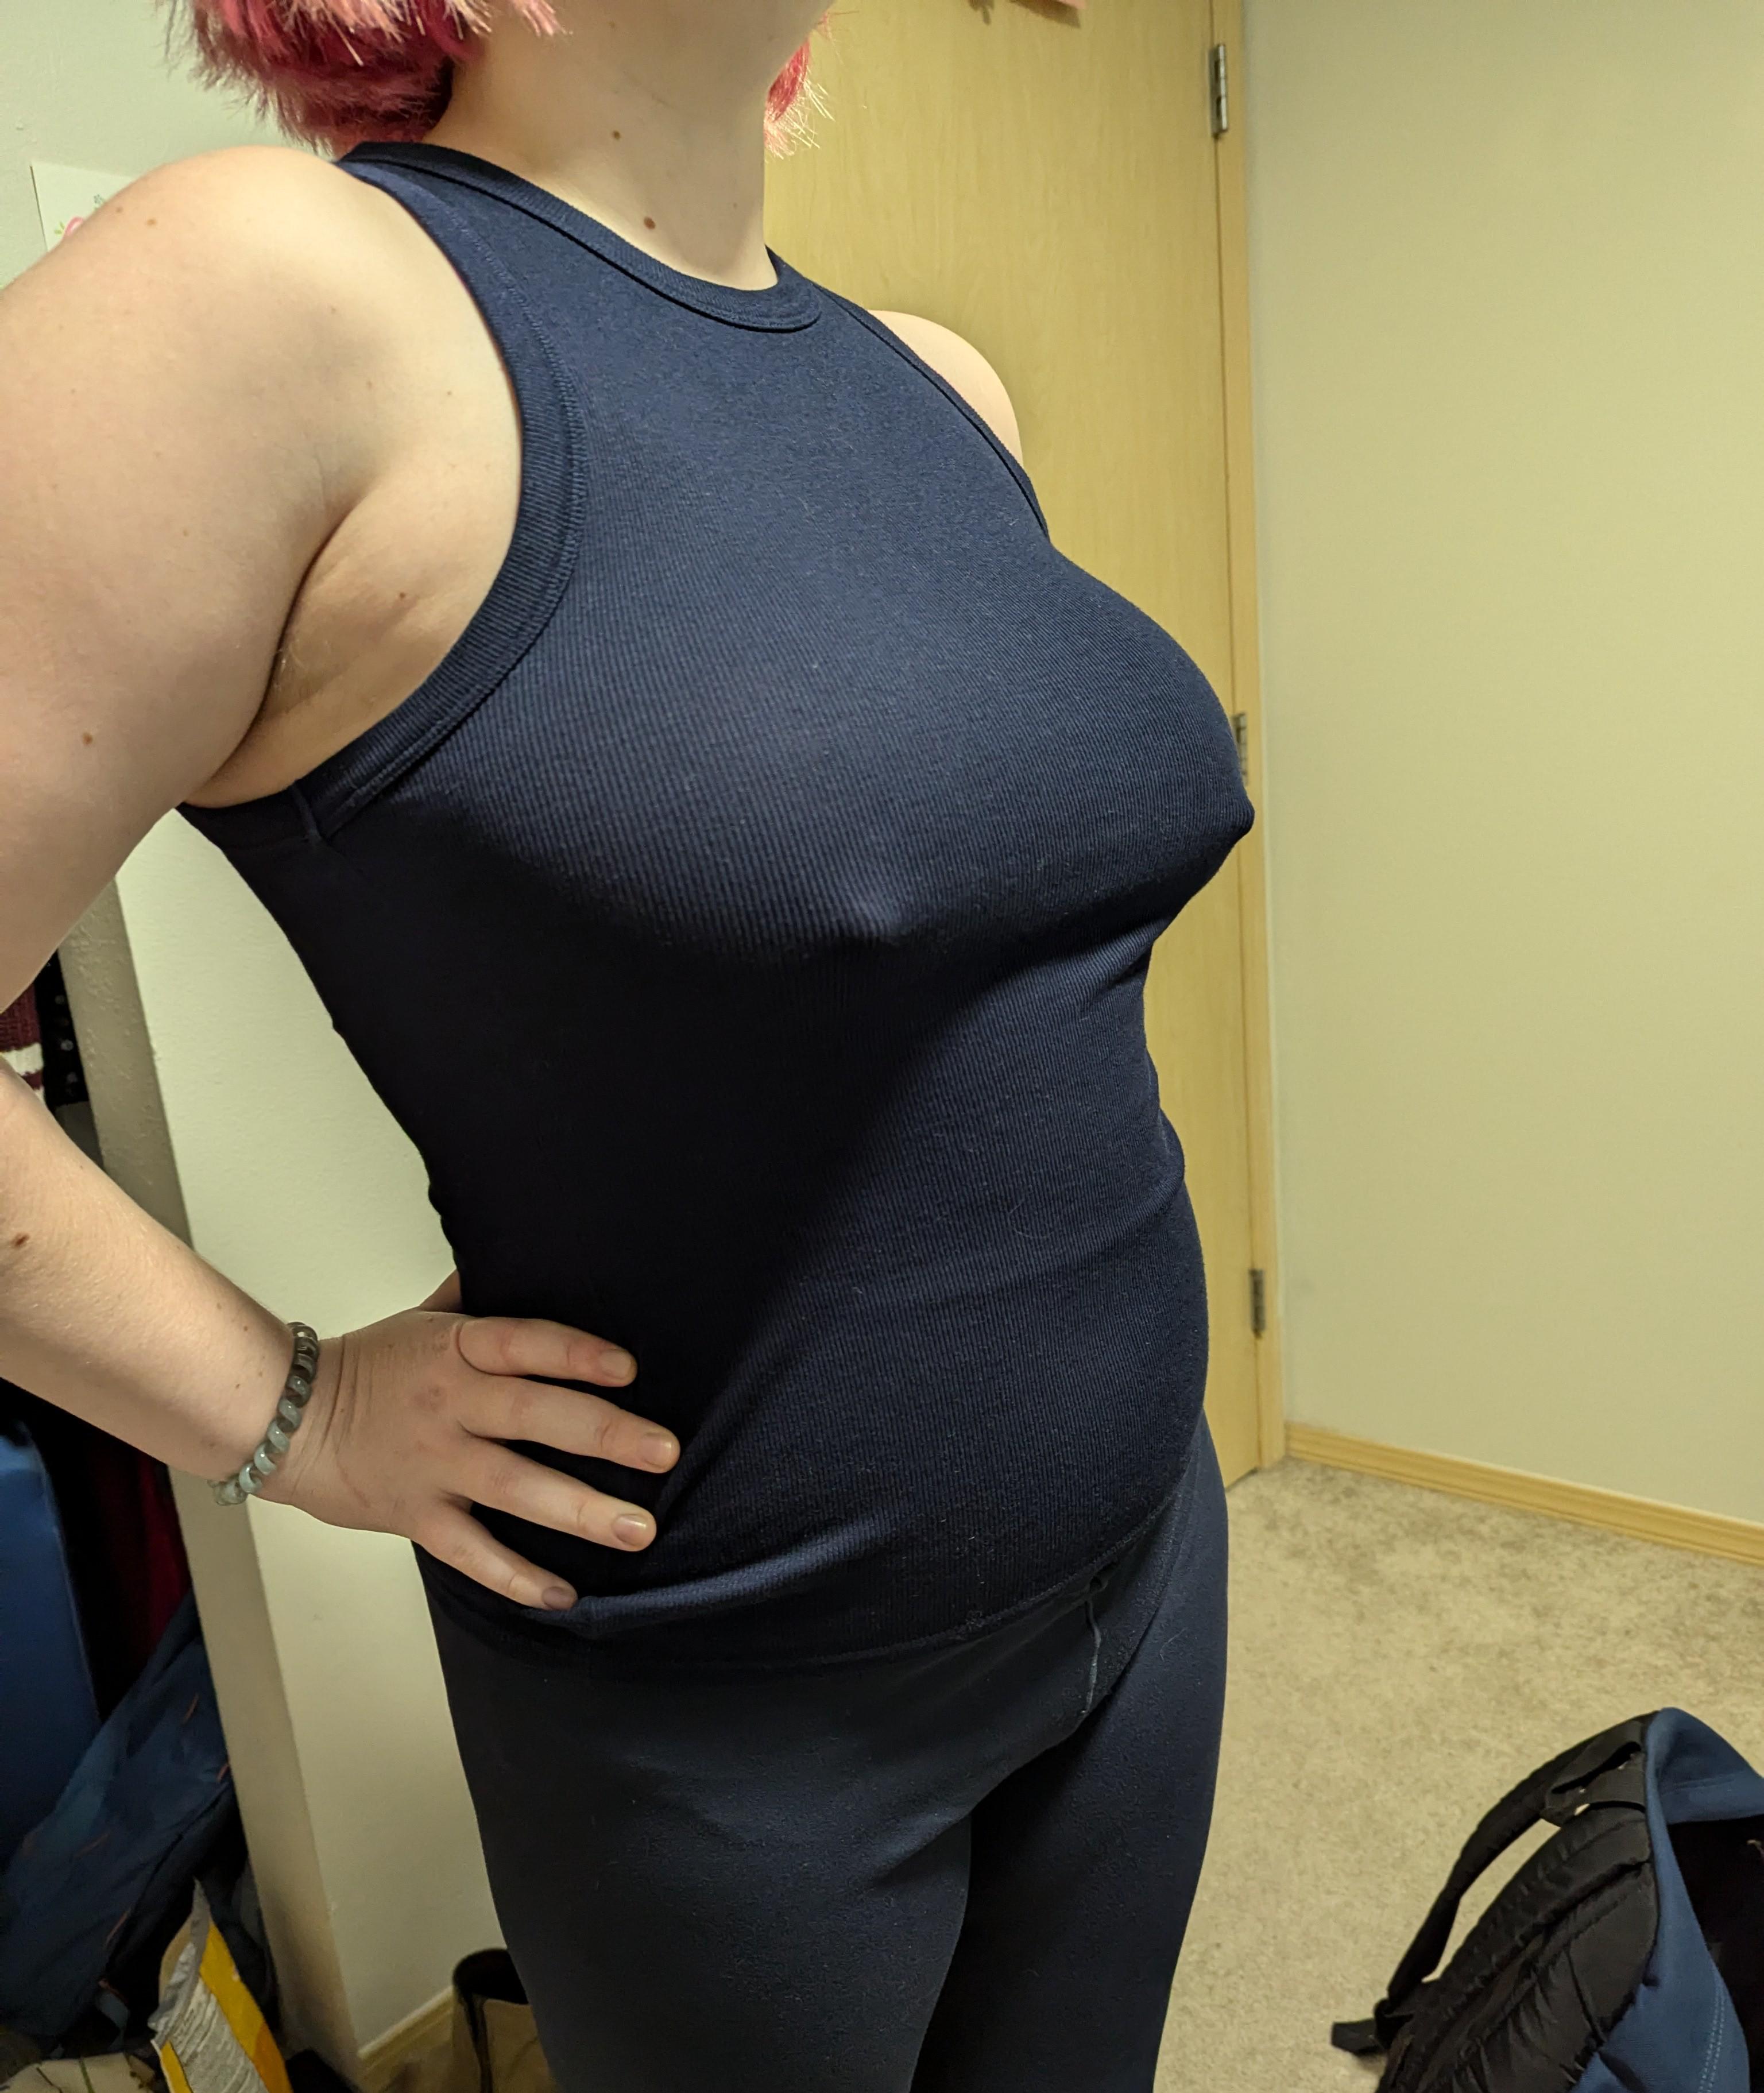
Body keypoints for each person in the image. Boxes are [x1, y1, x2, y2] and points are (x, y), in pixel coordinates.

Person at [0, 0, 1255, 2084]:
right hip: (741, 1708)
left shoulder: (936, 384)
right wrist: (295, 1414)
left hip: (1147, 1552)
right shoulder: (275, 292)